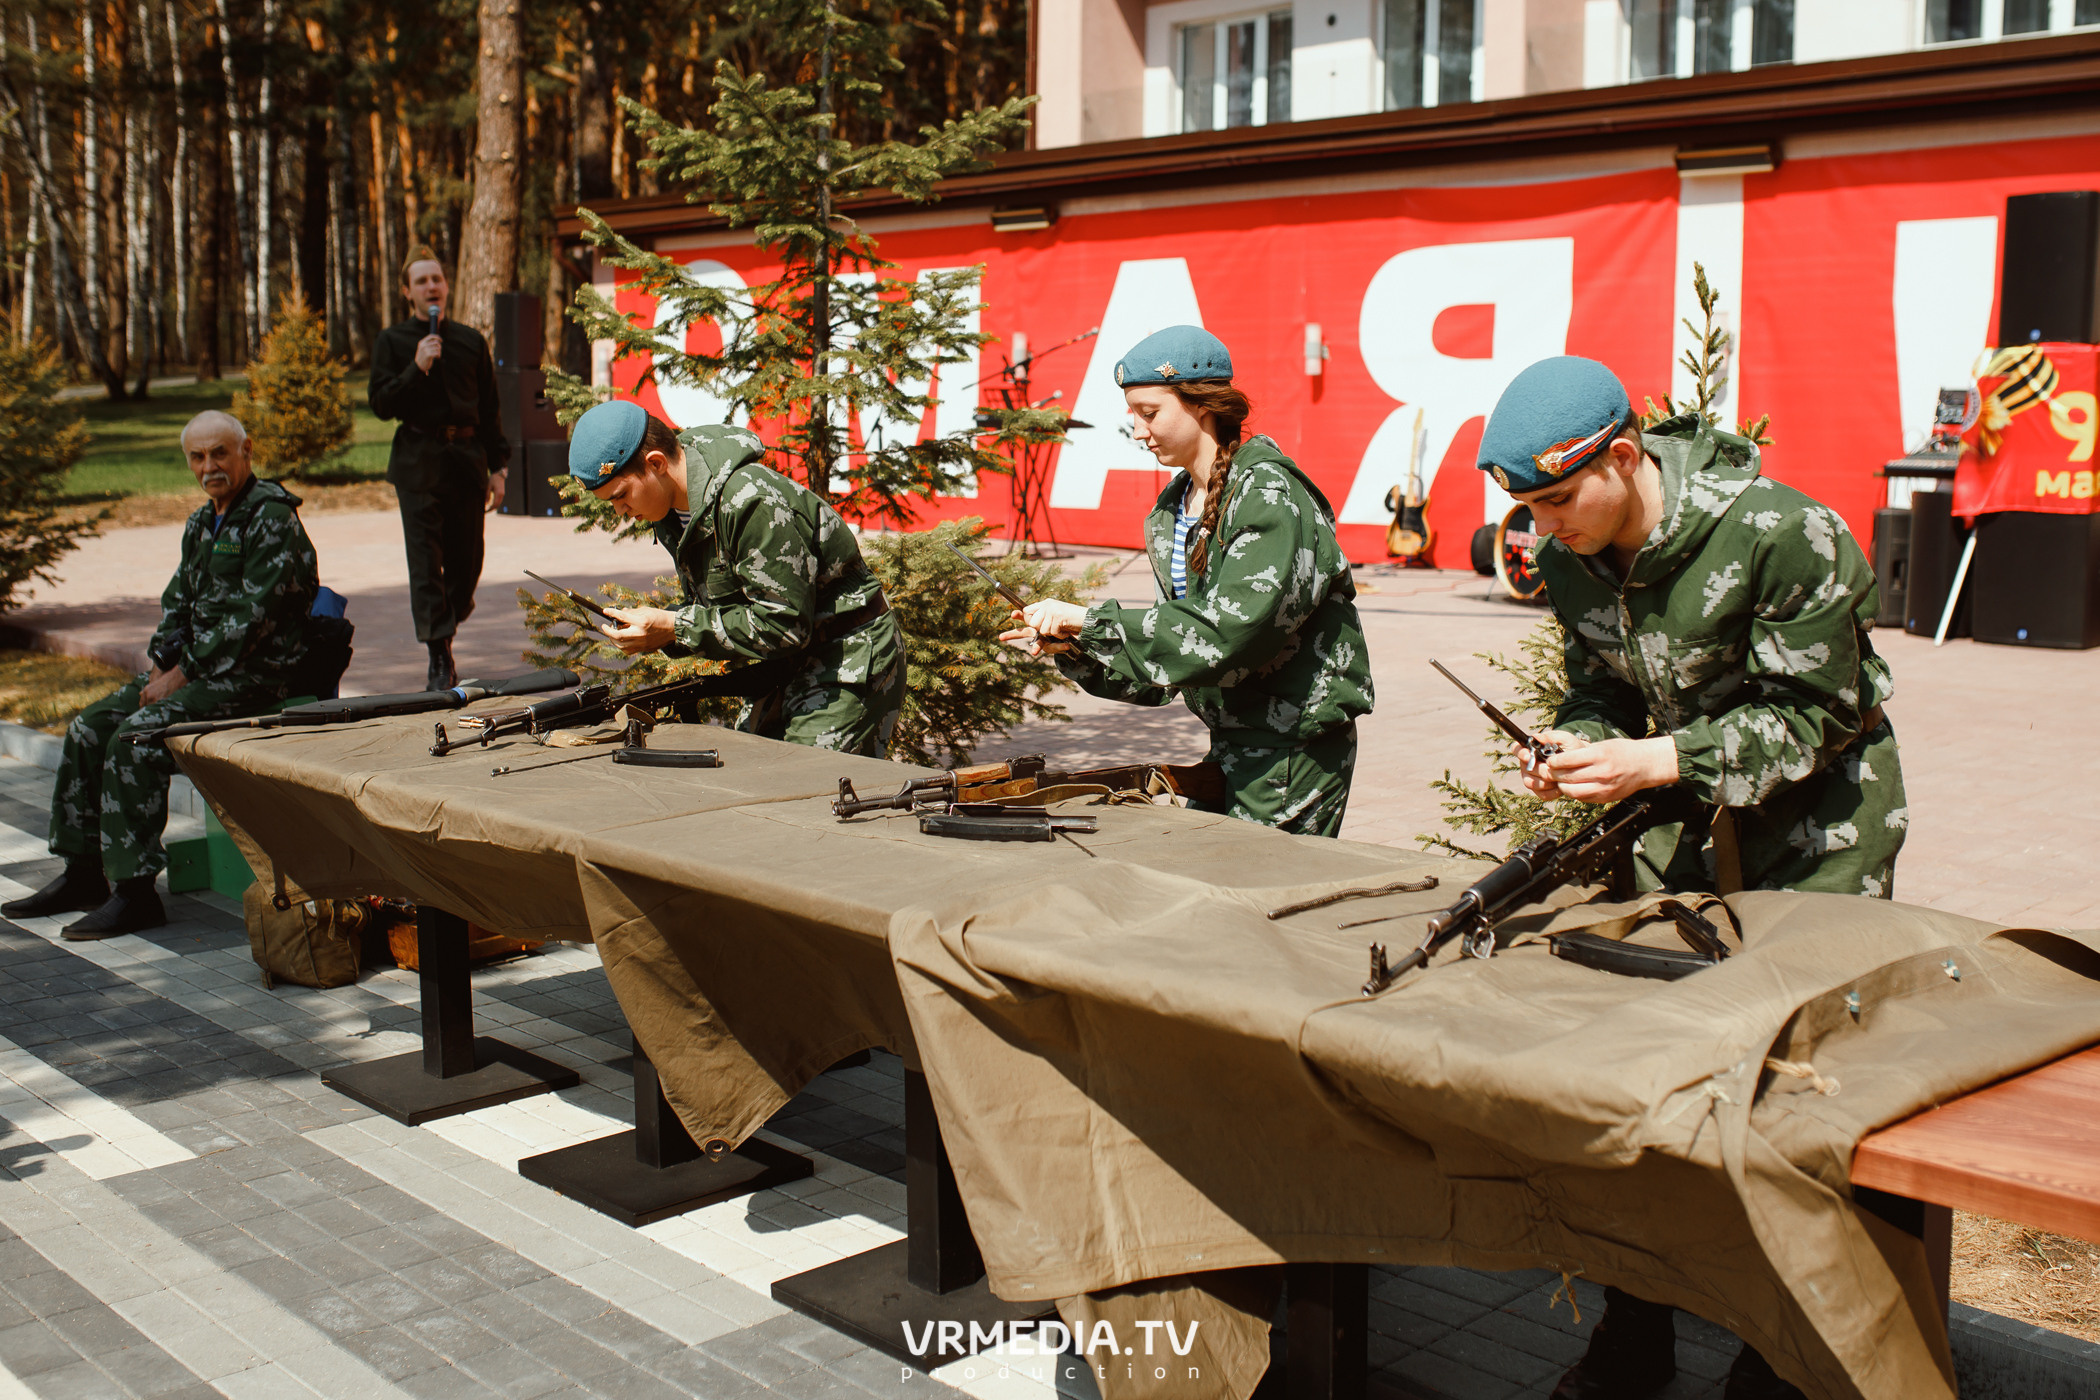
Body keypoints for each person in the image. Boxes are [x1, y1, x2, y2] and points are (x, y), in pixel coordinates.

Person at [1477, 355, 1905, 1400]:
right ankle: (1637, 1329)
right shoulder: (1573, 551)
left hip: (1817, 836)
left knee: (1797, 1103)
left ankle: (1787, 1346)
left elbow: (1822, 715)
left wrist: (1663, 758)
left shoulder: (1781, 532)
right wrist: (1573, 744)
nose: (1542, 528)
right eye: (1523, 509)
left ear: (1623, 456)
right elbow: (1599, 687)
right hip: (1679, 832)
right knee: (1653, 1086)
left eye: (1557, 499)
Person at [1001, 326, 1372, 836]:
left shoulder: (1268, 495)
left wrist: (1088, 620)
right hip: (1235, 741)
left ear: (1202, 405)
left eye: (1149, 413)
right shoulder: (1176, 507)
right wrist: (1073, 646)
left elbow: (1224, 636)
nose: (1137, 430)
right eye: (1132, 413)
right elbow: (1173, 663)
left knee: (1259, 896)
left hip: (1293, 749)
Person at [2, 412, 318, 939]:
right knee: (87, 728)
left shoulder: (271, 518)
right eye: (198, 457)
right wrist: (160, 662)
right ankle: (84, 873)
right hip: (197, 675)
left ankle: (135, 892)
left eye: (220, 453)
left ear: (246, 451)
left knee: (135, 738)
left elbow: (255, 617)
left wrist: (183, 672)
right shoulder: (201, 523)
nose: (209, 466)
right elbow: (177, 604)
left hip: (256, 678)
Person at [563, 400, 905, 754]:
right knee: (750, 774)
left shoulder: (749, 500)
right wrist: (659, 630)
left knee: (802, 789)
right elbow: (728, 603)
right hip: (782, 664)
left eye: (620, 496)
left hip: (846, 660)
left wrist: (676, 626)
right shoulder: (672, 508)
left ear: (656, 464)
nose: (621, 511)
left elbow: (784, 625)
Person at [369, 245, 507, 691]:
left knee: (466, 568)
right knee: (426, 565)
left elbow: (490, 409)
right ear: (407, 291)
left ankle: (446, 623)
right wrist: (416, 366)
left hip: (466, 465)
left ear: (447, 287)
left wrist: (499, 467)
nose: (432, 286)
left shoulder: (470, 341)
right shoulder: (393, 342)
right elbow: (381, 404)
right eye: (422, 281)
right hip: (417, 465)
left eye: (438, 279)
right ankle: (438, 655)